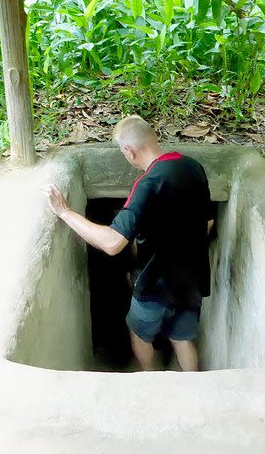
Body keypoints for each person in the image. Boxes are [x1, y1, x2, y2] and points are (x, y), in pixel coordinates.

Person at [44, 115, 213, 372]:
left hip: (154, 285)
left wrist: (65, 212)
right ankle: (192, 388)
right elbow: (208, 222)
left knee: (140, 335)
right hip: (191, 282)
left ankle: (150, 379)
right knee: (182, 340)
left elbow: (113, 243)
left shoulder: (147, 184)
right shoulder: (193, 167)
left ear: (129, 151)